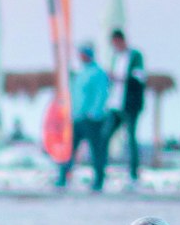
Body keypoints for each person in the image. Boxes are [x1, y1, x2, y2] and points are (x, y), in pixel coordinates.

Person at [56, 43, 110, 190]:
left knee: (96, 150)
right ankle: (62, 176)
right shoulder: (80, 73)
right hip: (77, 117)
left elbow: (101, 94)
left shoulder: (97, 73)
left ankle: (99, 180)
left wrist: (94, 112)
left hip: (91, 119)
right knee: (69, 149)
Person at [103, 29, 145, 181]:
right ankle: (102, 170)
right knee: (105, 135)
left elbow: (139, 78)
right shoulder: (115, 58)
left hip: (130, 105)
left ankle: (134, 172)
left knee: (131, 137)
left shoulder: (135, 56)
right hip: (115, 104)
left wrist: (120, 78)